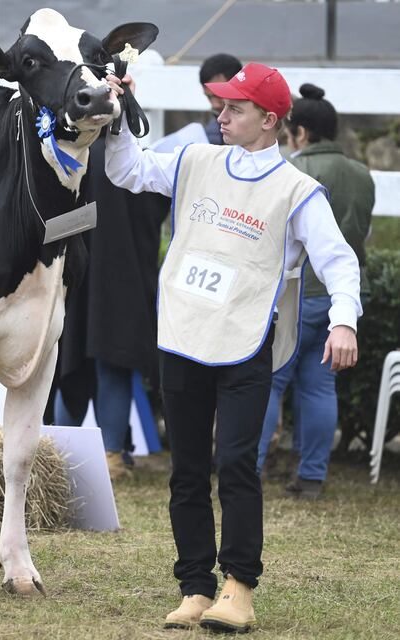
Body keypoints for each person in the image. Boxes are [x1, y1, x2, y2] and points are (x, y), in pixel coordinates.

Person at [105, 63, 361, 633]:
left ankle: (238, 589)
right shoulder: (195, 161)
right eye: (221, 106)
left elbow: (339, 262)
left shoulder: (298, 191)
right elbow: (127, 170)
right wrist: (120, 116)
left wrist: (343, 322)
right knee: (187, 471)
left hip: (247, 345)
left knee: (236, 466)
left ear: (270, 120)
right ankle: (195, 587)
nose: (221, 115)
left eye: (235, 108)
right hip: (182, 337)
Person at [256, 84, 375, 499]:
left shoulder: (292, 172)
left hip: (296, 293)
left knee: (270, 382)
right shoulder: (362, 175)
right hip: (340, 298)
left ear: (299, 133)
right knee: (320, 388)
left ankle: (248, 470)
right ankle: (311, 477)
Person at [53, 132, 170, 480]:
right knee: (114, 367)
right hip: (126, 283)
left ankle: (60, 455)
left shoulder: (76, 158)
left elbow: (53, 226)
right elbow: (156, 212)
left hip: (80, 280)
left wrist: (88, 217)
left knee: (70, 368)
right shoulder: (142, 162)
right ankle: (112, 457)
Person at [199, 54, 243, 145]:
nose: (215, 104)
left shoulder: (262, 124)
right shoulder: (209, 133)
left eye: (219, 95)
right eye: (208, 97)